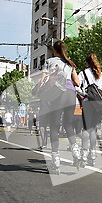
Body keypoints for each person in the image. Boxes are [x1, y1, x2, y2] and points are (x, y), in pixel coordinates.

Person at [41, 40, 81, 171]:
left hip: (57, 94)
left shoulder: (49, 62)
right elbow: (77, 82)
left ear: (54, 50)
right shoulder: (69, 63)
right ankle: (75, 151)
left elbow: (43, 80)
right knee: (68, 125)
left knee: (54, 126)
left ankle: (55, 159)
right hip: (70, 94)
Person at [78, 53, 102, 166]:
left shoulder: (83, 73)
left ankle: (83, 155)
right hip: (98, 105)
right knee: (93, 129)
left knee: (86, 130)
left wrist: (84, 93)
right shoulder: (100, 74)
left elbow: (76, 86)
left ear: (87, 63)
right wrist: (100, 91)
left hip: (88, 103)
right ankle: (92, 155)